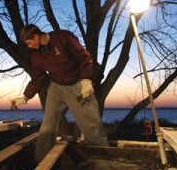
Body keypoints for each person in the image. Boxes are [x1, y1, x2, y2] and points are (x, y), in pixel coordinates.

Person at [11, 25, 108, 161]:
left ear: (36, 36)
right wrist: (24, 97)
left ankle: (105, 162)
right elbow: (37, 79)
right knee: (48, 126)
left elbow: (84, 57)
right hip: (56, 88)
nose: (29, 47)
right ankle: (40, 162)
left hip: (76, 86)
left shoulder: (63, 37)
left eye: (29, 43)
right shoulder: (36, 56)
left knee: (92, 125)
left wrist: (86, 80)